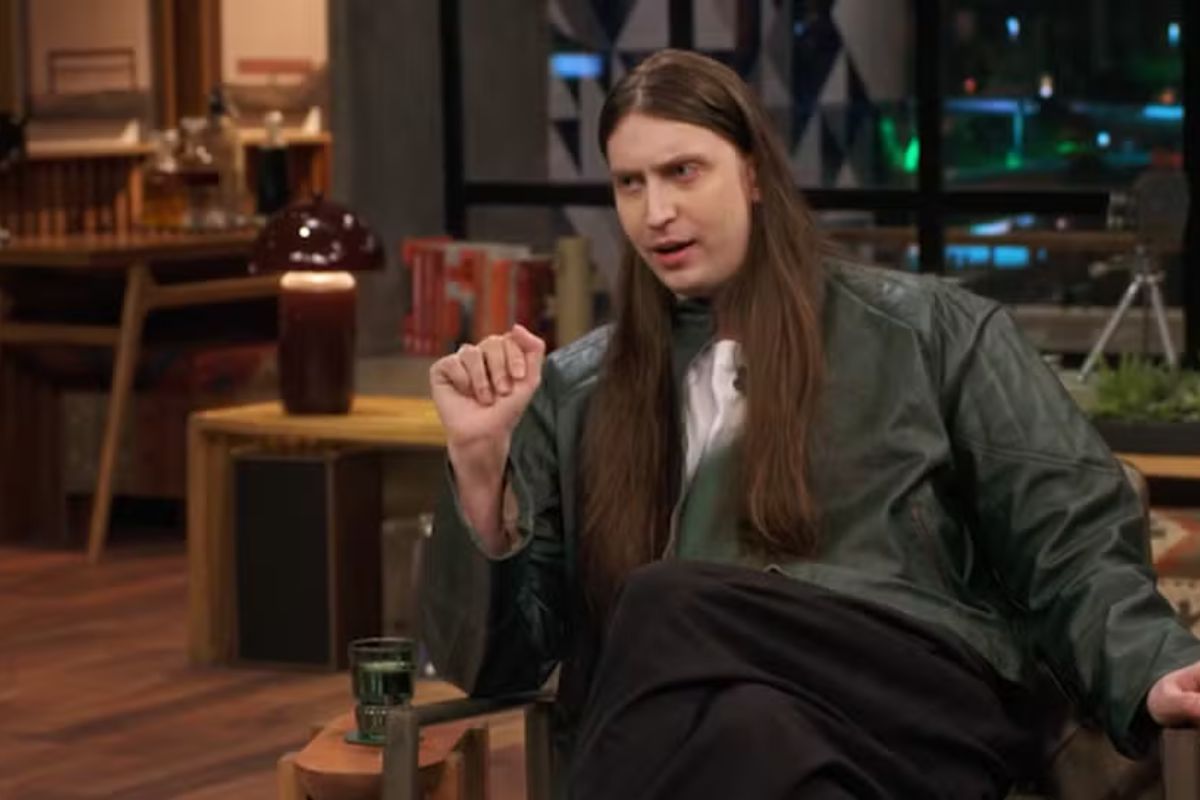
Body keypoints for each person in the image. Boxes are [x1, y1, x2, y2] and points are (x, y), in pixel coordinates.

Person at [420, 49, 1200, 799]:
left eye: (683, 172)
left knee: (661, 603)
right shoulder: (577, 391)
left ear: (754, 172)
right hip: (751, 745)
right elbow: (496, 668)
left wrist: (1155, 667)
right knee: (747, 726)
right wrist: (482, 463)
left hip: (918, 703)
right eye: (630, 183)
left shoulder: (932, 332)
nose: (656, 213)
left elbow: (1069, 538)